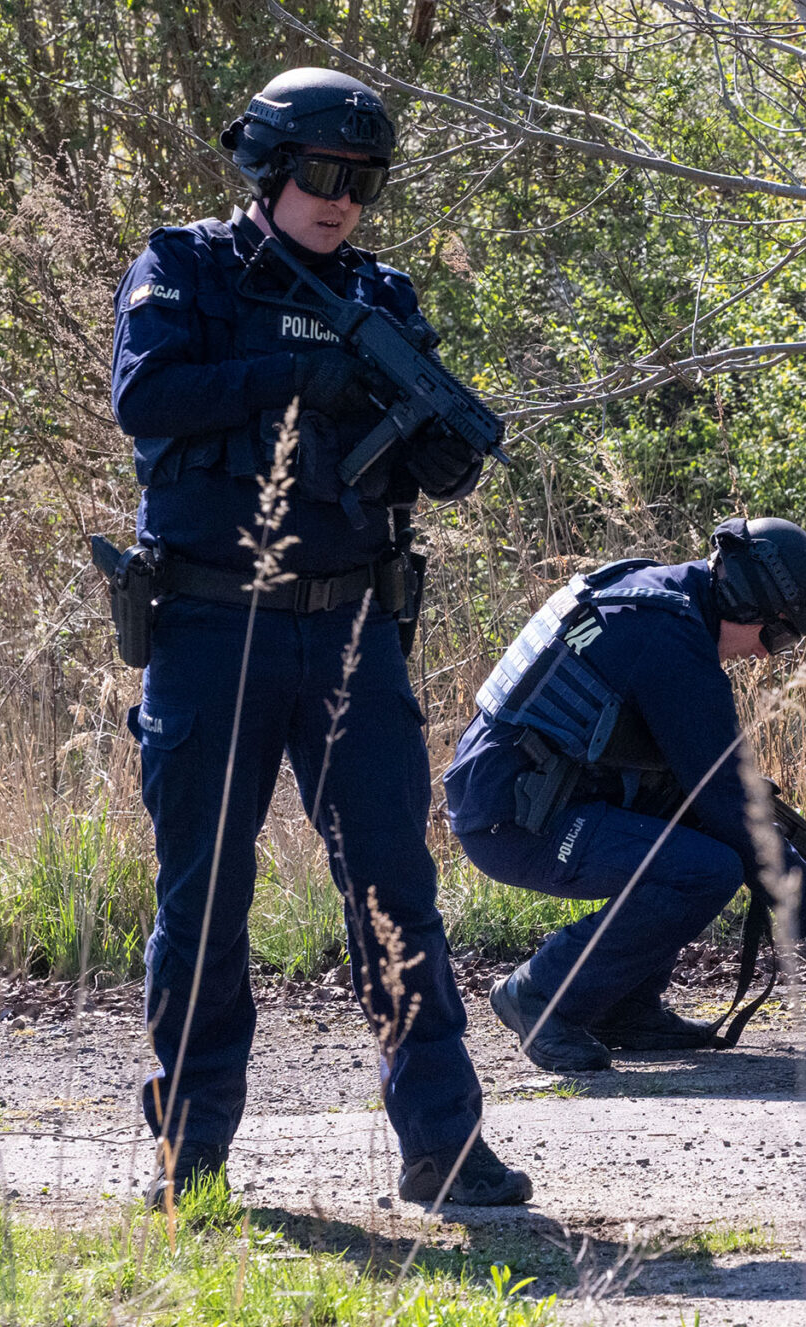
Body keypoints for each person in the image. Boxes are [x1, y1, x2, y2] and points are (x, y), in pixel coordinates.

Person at [110, 68, 524, 1208]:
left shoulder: (382, 296)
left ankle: (443, 1147)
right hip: (208, 625)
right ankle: (188, 1154)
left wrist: (425, 451)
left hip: (347, 631)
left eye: (364, 182)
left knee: (395, 888)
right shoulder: (185, 267)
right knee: (204, 896)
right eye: (323, 176)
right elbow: (146, 400)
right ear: (269, 167)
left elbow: (420, 446)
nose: (340, 200)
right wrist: (302, 373)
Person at [444, 519, 806, 1072]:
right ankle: (540, 993)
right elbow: (732, 805)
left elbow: (709, 791)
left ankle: (622, 1007)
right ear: (744, 604)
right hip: (514, 819)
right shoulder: (670, 639)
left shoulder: (657, 594)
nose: (771, 655)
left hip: (529, 796)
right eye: (779, 636)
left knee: (697, 839)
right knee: (704, 869)